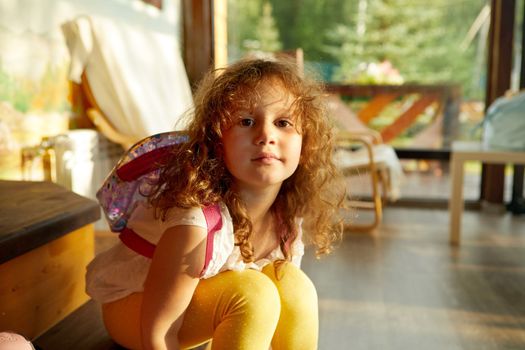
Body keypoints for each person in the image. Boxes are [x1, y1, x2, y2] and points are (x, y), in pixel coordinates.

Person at [86, 58, 346, 350]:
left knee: (294, 285)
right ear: (217, 140)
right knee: (253, 294)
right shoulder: (196, 222)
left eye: (283, 123)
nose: (266, 136)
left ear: (306, 143)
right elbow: (158, 331)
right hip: (136, 310)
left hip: (203, 303)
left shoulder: (285, 217)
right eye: (246, 122)